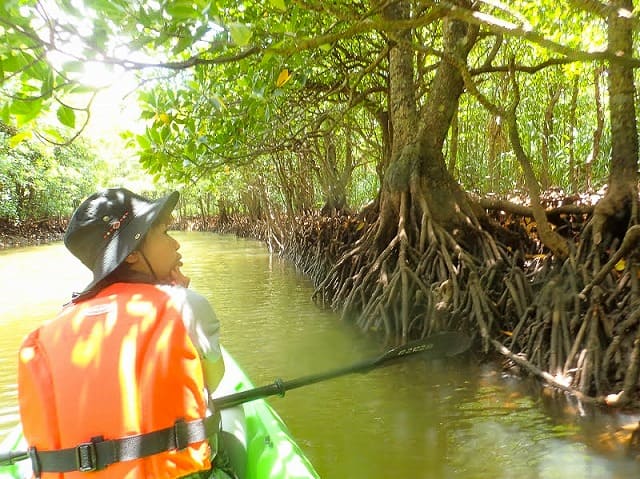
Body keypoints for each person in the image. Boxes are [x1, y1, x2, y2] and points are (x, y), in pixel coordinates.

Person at [17, 188, 234, 479]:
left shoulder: (49, 333)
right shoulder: (184, 305)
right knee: (228, 436)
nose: (176, 245)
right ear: (131, 254)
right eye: (166, 233)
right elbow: (212, 382)